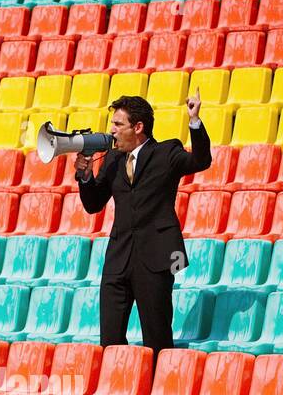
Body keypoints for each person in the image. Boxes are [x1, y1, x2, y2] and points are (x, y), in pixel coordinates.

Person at [75, 91, 212, 357]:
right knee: (110, 340)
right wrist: (84, 175)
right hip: (118, 259)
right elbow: (93, 204)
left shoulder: (166, 151)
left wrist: (194, 120)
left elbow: (201, 160)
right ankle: (118, 392)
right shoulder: (113, 160)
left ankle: (158, 391)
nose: (111, 131)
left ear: (138, 127)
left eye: (118, 124)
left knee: (157, 337)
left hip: (157, 258)